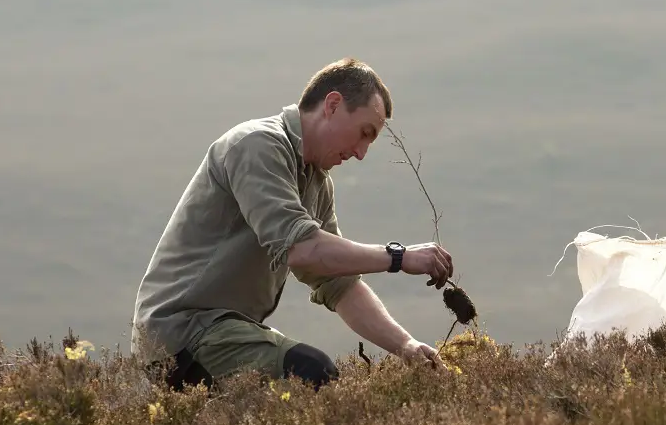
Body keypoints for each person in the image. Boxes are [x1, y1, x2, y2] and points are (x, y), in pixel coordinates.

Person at [131, 57, 454, 391]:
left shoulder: (316, 183)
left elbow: (337, 282)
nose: (360, 153)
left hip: (220, 333)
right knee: (309, 373)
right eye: (363, 134)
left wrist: (405, 346)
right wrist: (399, 257)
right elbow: (303, 249)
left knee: (288, 396)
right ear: (332, 105)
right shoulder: (257, 145)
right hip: (180, 333)